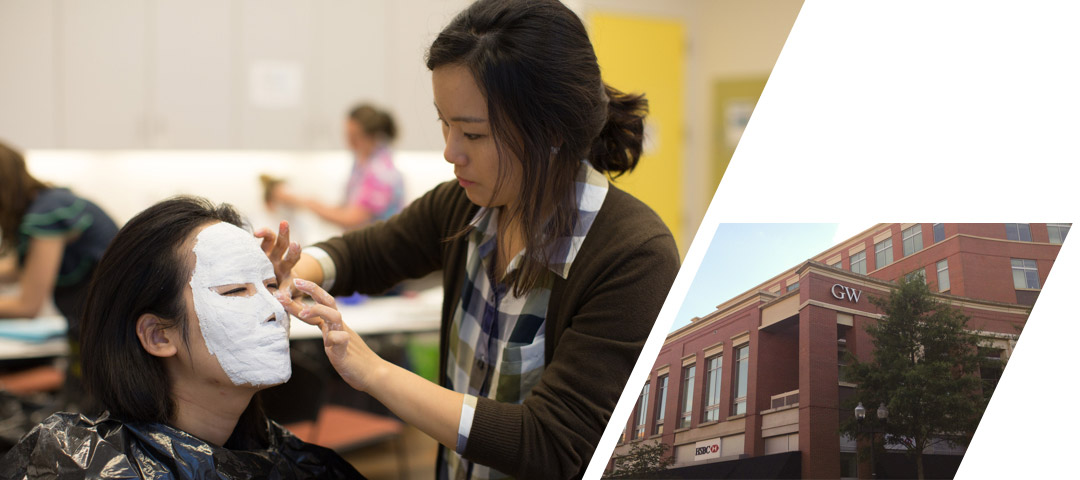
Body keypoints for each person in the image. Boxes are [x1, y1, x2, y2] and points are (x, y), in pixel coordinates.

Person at [258, 1, 681, 478]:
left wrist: (374, 372)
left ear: (551, 132)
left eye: (474, 135)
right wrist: (289, 268)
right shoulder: (466, 206)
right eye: (445, 122)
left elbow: (553, 442)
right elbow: (367, 252)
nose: (449, 152)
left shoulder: (634, 257)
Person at [0, 197, 364, 479]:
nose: (274, 308)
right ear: (158, 335)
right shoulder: (88, 467)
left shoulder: (284, 459)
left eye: (271, 285)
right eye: (235, 290)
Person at [0, 140, 118, 336]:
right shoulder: (48, 202)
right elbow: (19, 268)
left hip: (109, 331)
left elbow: (28, 306)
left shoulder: (48, 214)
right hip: (97, 327)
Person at [269, 104, 405, 229]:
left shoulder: (381, 173)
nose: (349, 143)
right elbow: (346, 208)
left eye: (354, 136)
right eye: (347, 135)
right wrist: (304, 201)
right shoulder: (362, 164)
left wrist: (309, 204)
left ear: (371, 136)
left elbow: (353, 219)